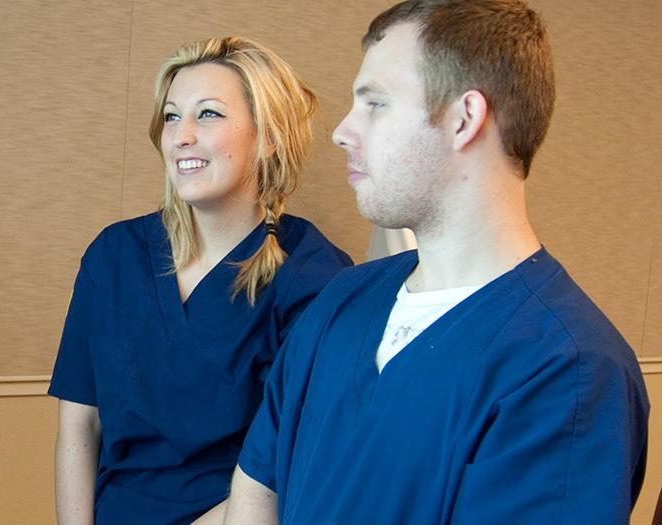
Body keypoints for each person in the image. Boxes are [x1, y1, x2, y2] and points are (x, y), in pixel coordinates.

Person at [225, 1, 650, 523]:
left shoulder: (568, 370)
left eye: (375, 104)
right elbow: (257, 485)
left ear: (464, 119)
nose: (342, 131)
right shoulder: (343, 299)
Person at [49, 37, 352, 525]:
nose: (181, 136)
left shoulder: (314, 278)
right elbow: (80, 426)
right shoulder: (113, 256)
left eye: (208, 114)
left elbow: (293, 465)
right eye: (172, 117)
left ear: (269, 135)